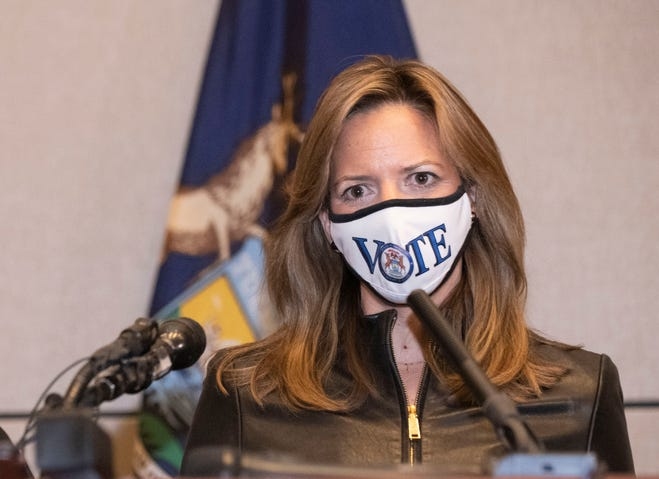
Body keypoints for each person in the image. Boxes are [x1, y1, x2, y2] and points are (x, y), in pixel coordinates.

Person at [181, 55, 634, 476]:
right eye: (357, 190)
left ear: (473, 197)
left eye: (421, 178)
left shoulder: (579, 394)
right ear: (327, 224)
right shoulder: (245, 394)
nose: (392, 215)